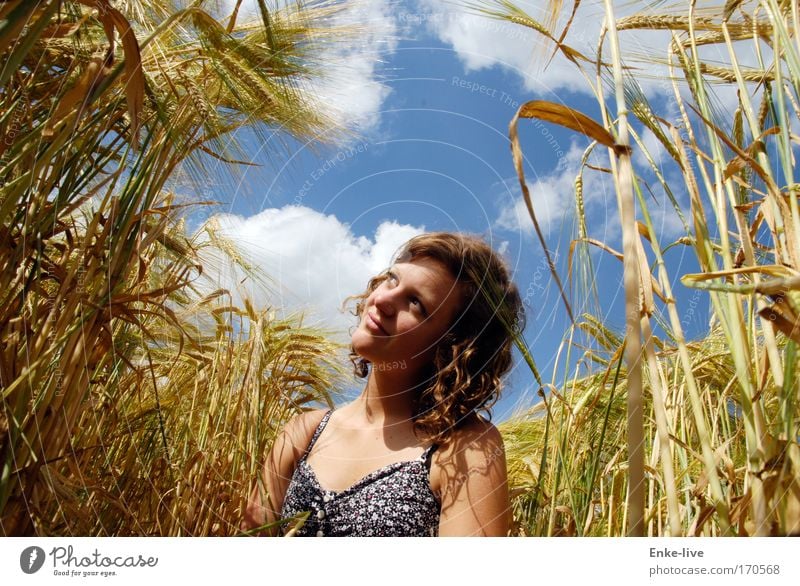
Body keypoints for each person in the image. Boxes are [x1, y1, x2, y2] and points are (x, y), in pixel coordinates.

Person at [241, 232, 524, 536]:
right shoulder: (303, 431)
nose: (383, 300)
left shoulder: (465, 449)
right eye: (392, 279)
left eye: (415, 303)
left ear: (452, 347)